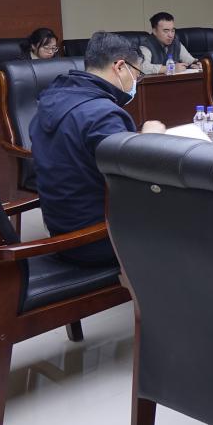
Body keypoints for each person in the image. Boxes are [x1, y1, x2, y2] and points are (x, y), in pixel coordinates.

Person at [29, 31, 165, 266]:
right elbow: (133, 183)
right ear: (120, 67)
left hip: (61, 229)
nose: (136, 81)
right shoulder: (101, 114)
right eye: (137, 74)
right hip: (97, 238)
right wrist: (149, 140)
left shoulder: (52, 99)